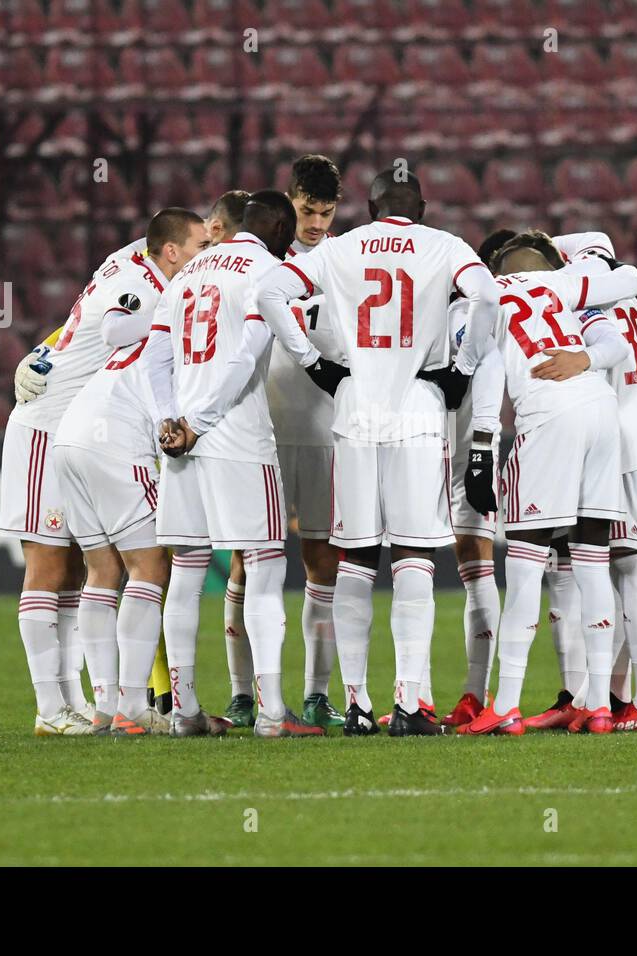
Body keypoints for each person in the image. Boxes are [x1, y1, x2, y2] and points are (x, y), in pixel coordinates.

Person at [256, 169, 501, 736]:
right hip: (418, 410)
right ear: (422, 206)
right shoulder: (445, 245)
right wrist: (463, 370)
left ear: (367, 207)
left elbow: (269, 292)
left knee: (357, 558)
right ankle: (411, 703)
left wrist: (314, 362)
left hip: (354, 411)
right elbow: (488, 295)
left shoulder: (340, 249)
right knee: (415, 555)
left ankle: (359, 705)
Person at [1, 209, 206, 736]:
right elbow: (113, 329)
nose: (206, 254)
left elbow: (81, 325)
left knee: (84, 571)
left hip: (73, 422)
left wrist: (44, 349)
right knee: (49, 568)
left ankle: (83, 704)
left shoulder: (133, 263)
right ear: (172, 251)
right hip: (46, 423)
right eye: (199, 245)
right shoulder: (144, 281)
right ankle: (51, 707)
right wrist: (180, 314)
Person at [454, 231, 637, 736]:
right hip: (601, 411)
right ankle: (599, 704)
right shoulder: (560, 285)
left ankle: (507, 706)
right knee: (592, 562)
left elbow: (489, 371)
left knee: (524, 567)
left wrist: (481, 450)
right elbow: (632, 277)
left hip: (548, 416)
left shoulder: (487, 297)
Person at [151, 191, 325, 738]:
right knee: (267, 566)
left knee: (185, 570)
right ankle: (273, 713)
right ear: (276, 227)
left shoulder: (190, 270)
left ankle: (183, 711)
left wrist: (170, 420)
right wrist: (202, 420)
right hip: (235, 437)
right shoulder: (267, 271)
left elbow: (154, 355)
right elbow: (248, 352)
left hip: (179, 438)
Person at [221, 155, 348, 731]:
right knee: (249, 564)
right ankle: (243, 695)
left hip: (324, 430)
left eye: (325, 212)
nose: (316, 223)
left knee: (324, 563)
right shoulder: (261, 263)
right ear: (289, 202)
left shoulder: (345, 261)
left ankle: (318, 694)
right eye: (306, 210)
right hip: (263, 432)